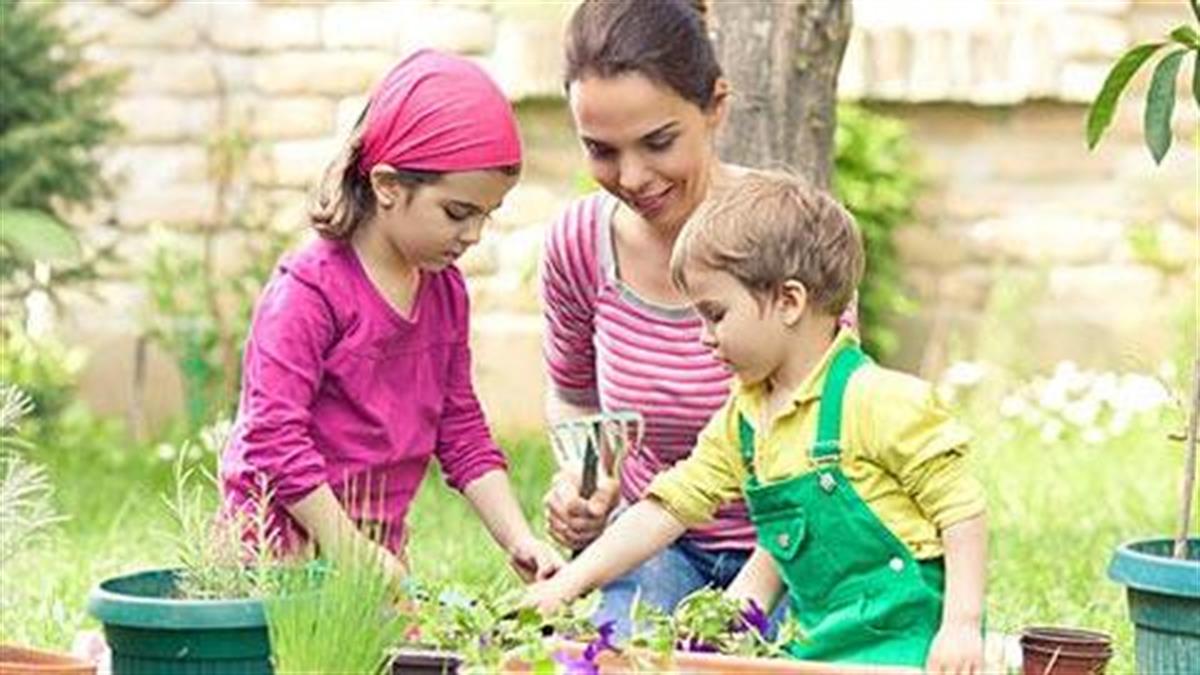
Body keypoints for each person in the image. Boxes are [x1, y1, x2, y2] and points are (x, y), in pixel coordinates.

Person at [530, 171, 987, 673]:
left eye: (715, 314)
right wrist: (568, 586)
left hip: (910, 643)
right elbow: (670, 510)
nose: (703, 337)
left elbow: (961, 512)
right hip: (820, 643)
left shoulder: (880, 399)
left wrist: (961, 626)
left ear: (789, 301)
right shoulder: (745, 418)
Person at [540, 0, 857, 636]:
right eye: (601, 150)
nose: (632, 177)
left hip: (790, 546)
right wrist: (587, 480)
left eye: (658, 142)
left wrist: (745, 602)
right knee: (621, 654)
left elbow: (835, 439)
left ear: (716, 105)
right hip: (652, 541)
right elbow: (575, 396)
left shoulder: (791, 236)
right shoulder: (579, 243)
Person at [221, 49, 562, 585]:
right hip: (273, 560)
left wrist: (519, 538)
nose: (474, 235)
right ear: (387, 185)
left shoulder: (444, 290)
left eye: (486, 216)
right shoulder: (309, 292)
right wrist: (349, 550)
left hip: (371, 559)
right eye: (457, 213)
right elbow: (272, 438)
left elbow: (460, 427)